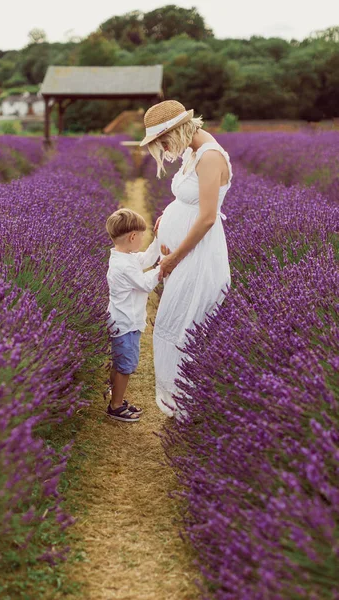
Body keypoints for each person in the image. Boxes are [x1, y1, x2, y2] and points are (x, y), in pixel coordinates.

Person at [139, 100, 233, 420]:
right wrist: (168, 216)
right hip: (186, 256)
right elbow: (189, 199)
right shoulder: (193, 151)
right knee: (172, 325)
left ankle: (190, 412)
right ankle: (182, 405)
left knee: (181, 329)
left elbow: (207, 218)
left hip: (199, 258)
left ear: (177, 130)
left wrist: (173, 258)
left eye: (163, 140)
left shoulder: (210, 156)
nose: (164, 148)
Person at [105, 208, 168, 422]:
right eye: (141, 236)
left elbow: (148, 257)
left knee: (119, 362)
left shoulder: (124, 257)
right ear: (133, 237)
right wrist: (162, 269)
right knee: (125, 367)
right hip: (126, 324)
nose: (142, 239)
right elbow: (145, 283)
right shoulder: (124, 265)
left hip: (120, 320)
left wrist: (158, 239)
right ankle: (115, 406)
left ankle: (115, 396)